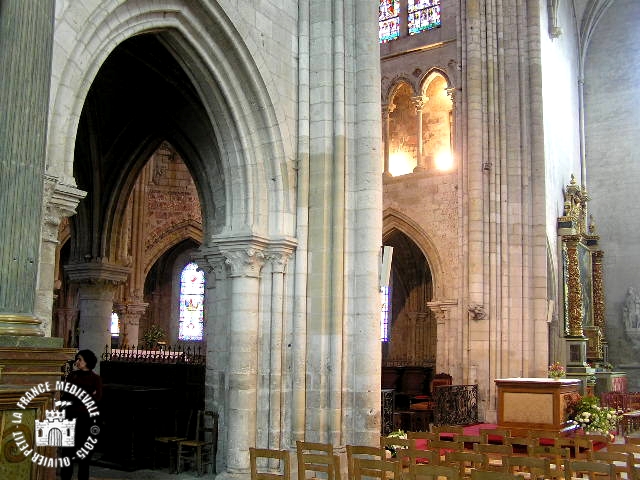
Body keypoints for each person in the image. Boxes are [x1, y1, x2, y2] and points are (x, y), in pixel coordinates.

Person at [60, 349, 103, 480]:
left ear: (87, 362)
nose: (77, 362)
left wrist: (77, 398)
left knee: (84, 456)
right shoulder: (72, 375)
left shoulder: (96, 379)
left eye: (80, 359)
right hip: (69, 418)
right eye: (77, 359)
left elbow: (97, 399)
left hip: (85, 421)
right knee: (66, 455)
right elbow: (66, 396)